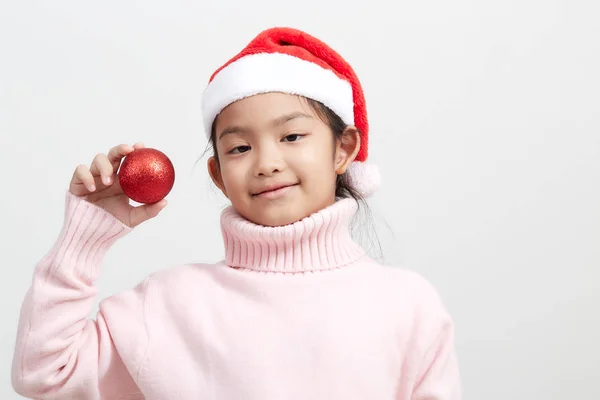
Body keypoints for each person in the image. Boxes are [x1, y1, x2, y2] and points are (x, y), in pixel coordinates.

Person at [11, 27, 462, 399]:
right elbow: (44, 373)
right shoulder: (167, 303)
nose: (266, 162)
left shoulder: (407, 306)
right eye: (240, 147)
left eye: (291, 137)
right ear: (218, 174)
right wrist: (85, 237)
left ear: (343, 149)